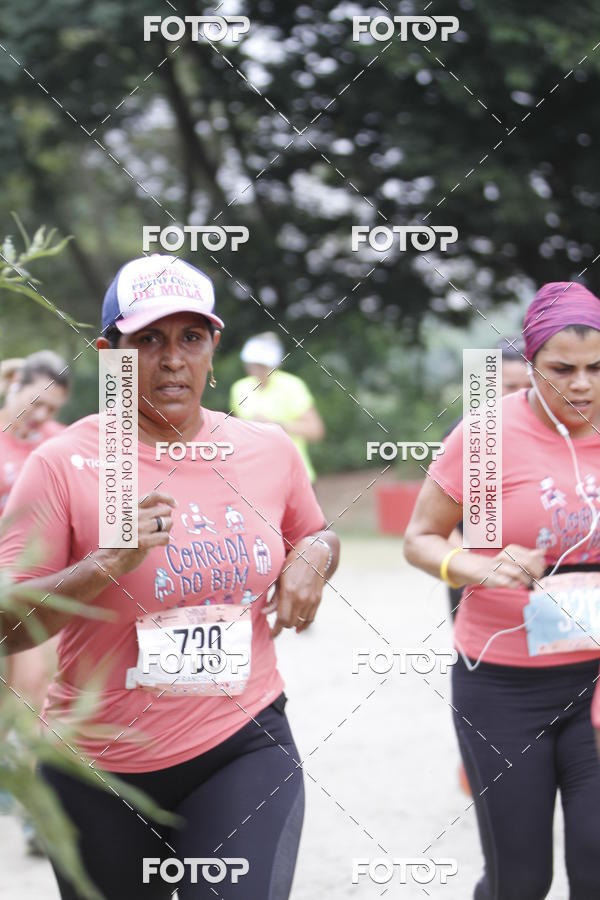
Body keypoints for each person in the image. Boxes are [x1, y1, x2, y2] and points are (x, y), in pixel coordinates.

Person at [0, 254, 340, 900]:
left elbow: (317, 531)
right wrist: (106, 564)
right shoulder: (63, 463)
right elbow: (8, 626)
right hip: (98, 770)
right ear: (111, 355)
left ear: (215, 348)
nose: (173, 358)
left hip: (242, 744)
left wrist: (315, 556)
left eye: (191, 337)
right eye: (148, 339)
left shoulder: (267, 449)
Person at [404, 282, 600, 900]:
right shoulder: (486, 436)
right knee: (521, 878)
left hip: (596, 677)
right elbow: (420, 539)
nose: (583, 385)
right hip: (503, 685)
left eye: (597, 368)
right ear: (532, 361)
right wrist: (474, 566)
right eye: (562, 369)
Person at [0, 350, 70, 855]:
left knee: (33, 696)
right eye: (37, 402)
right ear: (15, 385)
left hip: (25, 589)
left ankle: (33, 816)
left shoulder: (57, 442)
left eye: (54, 407)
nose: (44, 415)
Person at [230, 332, 324, 481]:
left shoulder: (292, 386)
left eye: (261, 365)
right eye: (252, 364)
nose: (256, 370)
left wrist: (275, 425)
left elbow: (315, 430)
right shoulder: (239, 388)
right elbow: (236, 432)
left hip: (295, 477)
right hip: (255, 478)